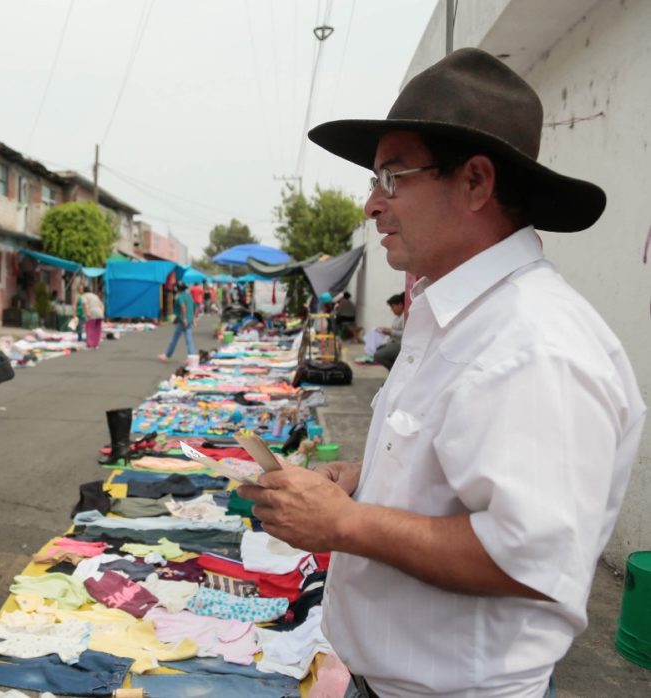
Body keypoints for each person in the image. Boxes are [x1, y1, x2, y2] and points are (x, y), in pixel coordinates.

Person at [239, 48, 644, 698]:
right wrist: (366, 481)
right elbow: (452, 475)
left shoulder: (535, 342)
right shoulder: (452, 314)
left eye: (392, 178)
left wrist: (346, 524)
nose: (372, 205)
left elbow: (529, 556)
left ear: (477, 183)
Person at [158, 282, 196, 362]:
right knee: (188, 339)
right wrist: (193, 318)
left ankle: (167, 355)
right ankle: (192, 356)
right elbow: (193, 307)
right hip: (188, 320)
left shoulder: (180, 297)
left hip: (182, 320)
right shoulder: (189, 296)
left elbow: (183, 307)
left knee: (175, 339)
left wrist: (184, 318)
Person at [371, 292, 405, 370]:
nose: (391, 310)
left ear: (400, 304)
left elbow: (405, 334)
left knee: (378, 355)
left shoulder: (404, 317)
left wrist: (391, 332)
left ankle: (394, 372)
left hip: (399, 345)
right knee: (377, 349)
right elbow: (395, 331)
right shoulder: (397, 317)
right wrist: (387, 330)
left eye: (393, 307)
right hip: (393, 343)